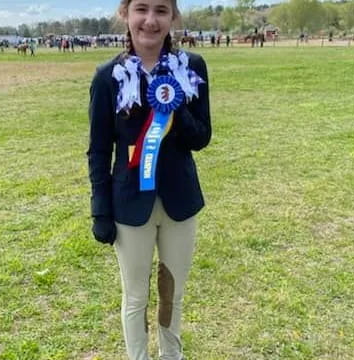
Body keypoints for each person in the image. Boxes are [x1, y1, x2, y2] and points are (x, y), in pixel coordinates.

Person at [87, 0, 211, 359]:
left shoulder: (193, 68)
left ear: (173, 16)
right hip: (129, 206)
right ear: (125, 14)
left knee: (174, 293)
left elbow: (201, 138)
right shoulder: (107, 76)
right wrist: (100, 210)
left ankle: (172, 356)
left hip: (180, 203)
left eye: (161, 10)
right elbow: (98, 150)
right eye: (142, 8)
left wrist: (174, 101)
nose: (151, 20)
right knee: (136, 296)